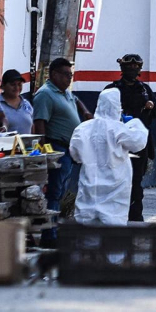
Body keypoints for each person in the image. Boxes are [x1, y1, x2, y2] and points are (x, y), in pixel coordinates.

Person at [32, 58, 93, 244]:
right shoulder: (45, 94)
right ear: (54, 74)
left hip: (69, 150)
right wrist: (45, 152)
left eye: (71, 75)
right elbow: (40, 123)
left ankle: (55, 231)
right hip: (56, 147)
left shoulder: (64, 93)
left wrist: (85, 112)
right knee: (54, 192)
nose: (69, 78)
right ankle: (49, 236)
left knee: (61, 191)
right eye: (66, 75)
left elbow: (75, 100)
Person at [69, 88, 149, 226]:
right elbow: (138, 142)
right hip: (115, 189)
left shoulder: (83, 129)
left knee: (86, 231)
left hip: (89, 188)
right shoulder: (119, 129)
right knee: (112, 233)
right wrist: (134, 123)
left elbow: (75, 154)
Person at [104, 54, 156, 222]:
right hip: (117, 144)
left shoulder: (144, 89)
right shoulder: (112, 89)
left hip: (139, 145)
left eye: (136, 67)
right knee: (116, 181)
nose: (132, 70)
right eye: (129, 66)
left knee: (136, 182)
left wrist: (150, 106)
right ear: (122, 68)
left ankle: (135, 216)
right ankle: (116, 214)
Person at [0, 69, 34, 134]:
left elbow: (32, 127)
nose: (17, 87)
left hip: (26, 144)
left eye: (19, 84)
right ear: (3, 85)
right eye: (13, 84)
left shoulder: (26, 104)